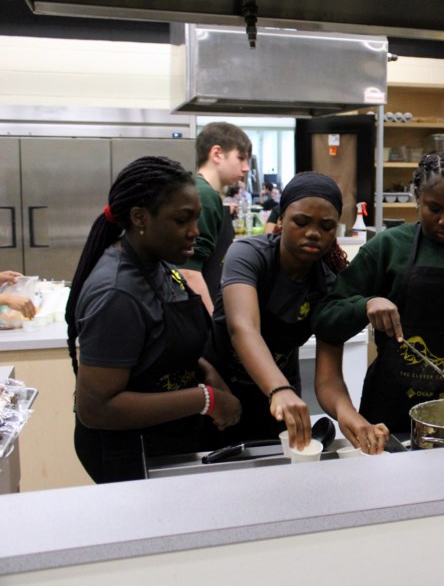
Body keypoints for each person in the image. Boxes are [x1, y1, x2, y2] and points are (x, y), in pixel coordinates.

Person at [312, 151, 444, 442]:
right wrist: (365, 305)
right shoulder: (387, 248)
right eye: (434, 208)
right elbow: (326, 317)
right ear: (417, 196)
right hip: (388, 416)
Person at [65, 156, 242, 483]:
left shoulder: (159, 265)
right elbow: (97, 408)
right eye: (181, 220)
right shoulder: (117, 294)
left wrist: (206, 370)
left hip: (167, 439)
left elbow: (160, 347)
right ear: (139, 218)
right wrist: (206, 399)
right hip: (130, 452)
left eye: (196, 219)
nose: (195, 232)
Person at [206, 172, 362, 450]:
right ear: (280, 219)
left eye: (326, 226)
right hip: (221, 391)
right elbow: (243, 328)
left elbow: (328, 380)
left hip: (278, 405)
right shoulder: (248, 254)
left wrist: (347, 414)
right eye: (301, 222)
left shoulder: (328, 285)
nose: (313, 232)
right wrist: (279, 389)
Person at [180, 122, 252, 314]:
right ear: (217, 154)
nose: (246, 168)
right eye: (241, 158)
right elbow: (189, 272)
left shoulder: (201, 191)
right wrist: (212, 325)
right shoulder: (204, 195)